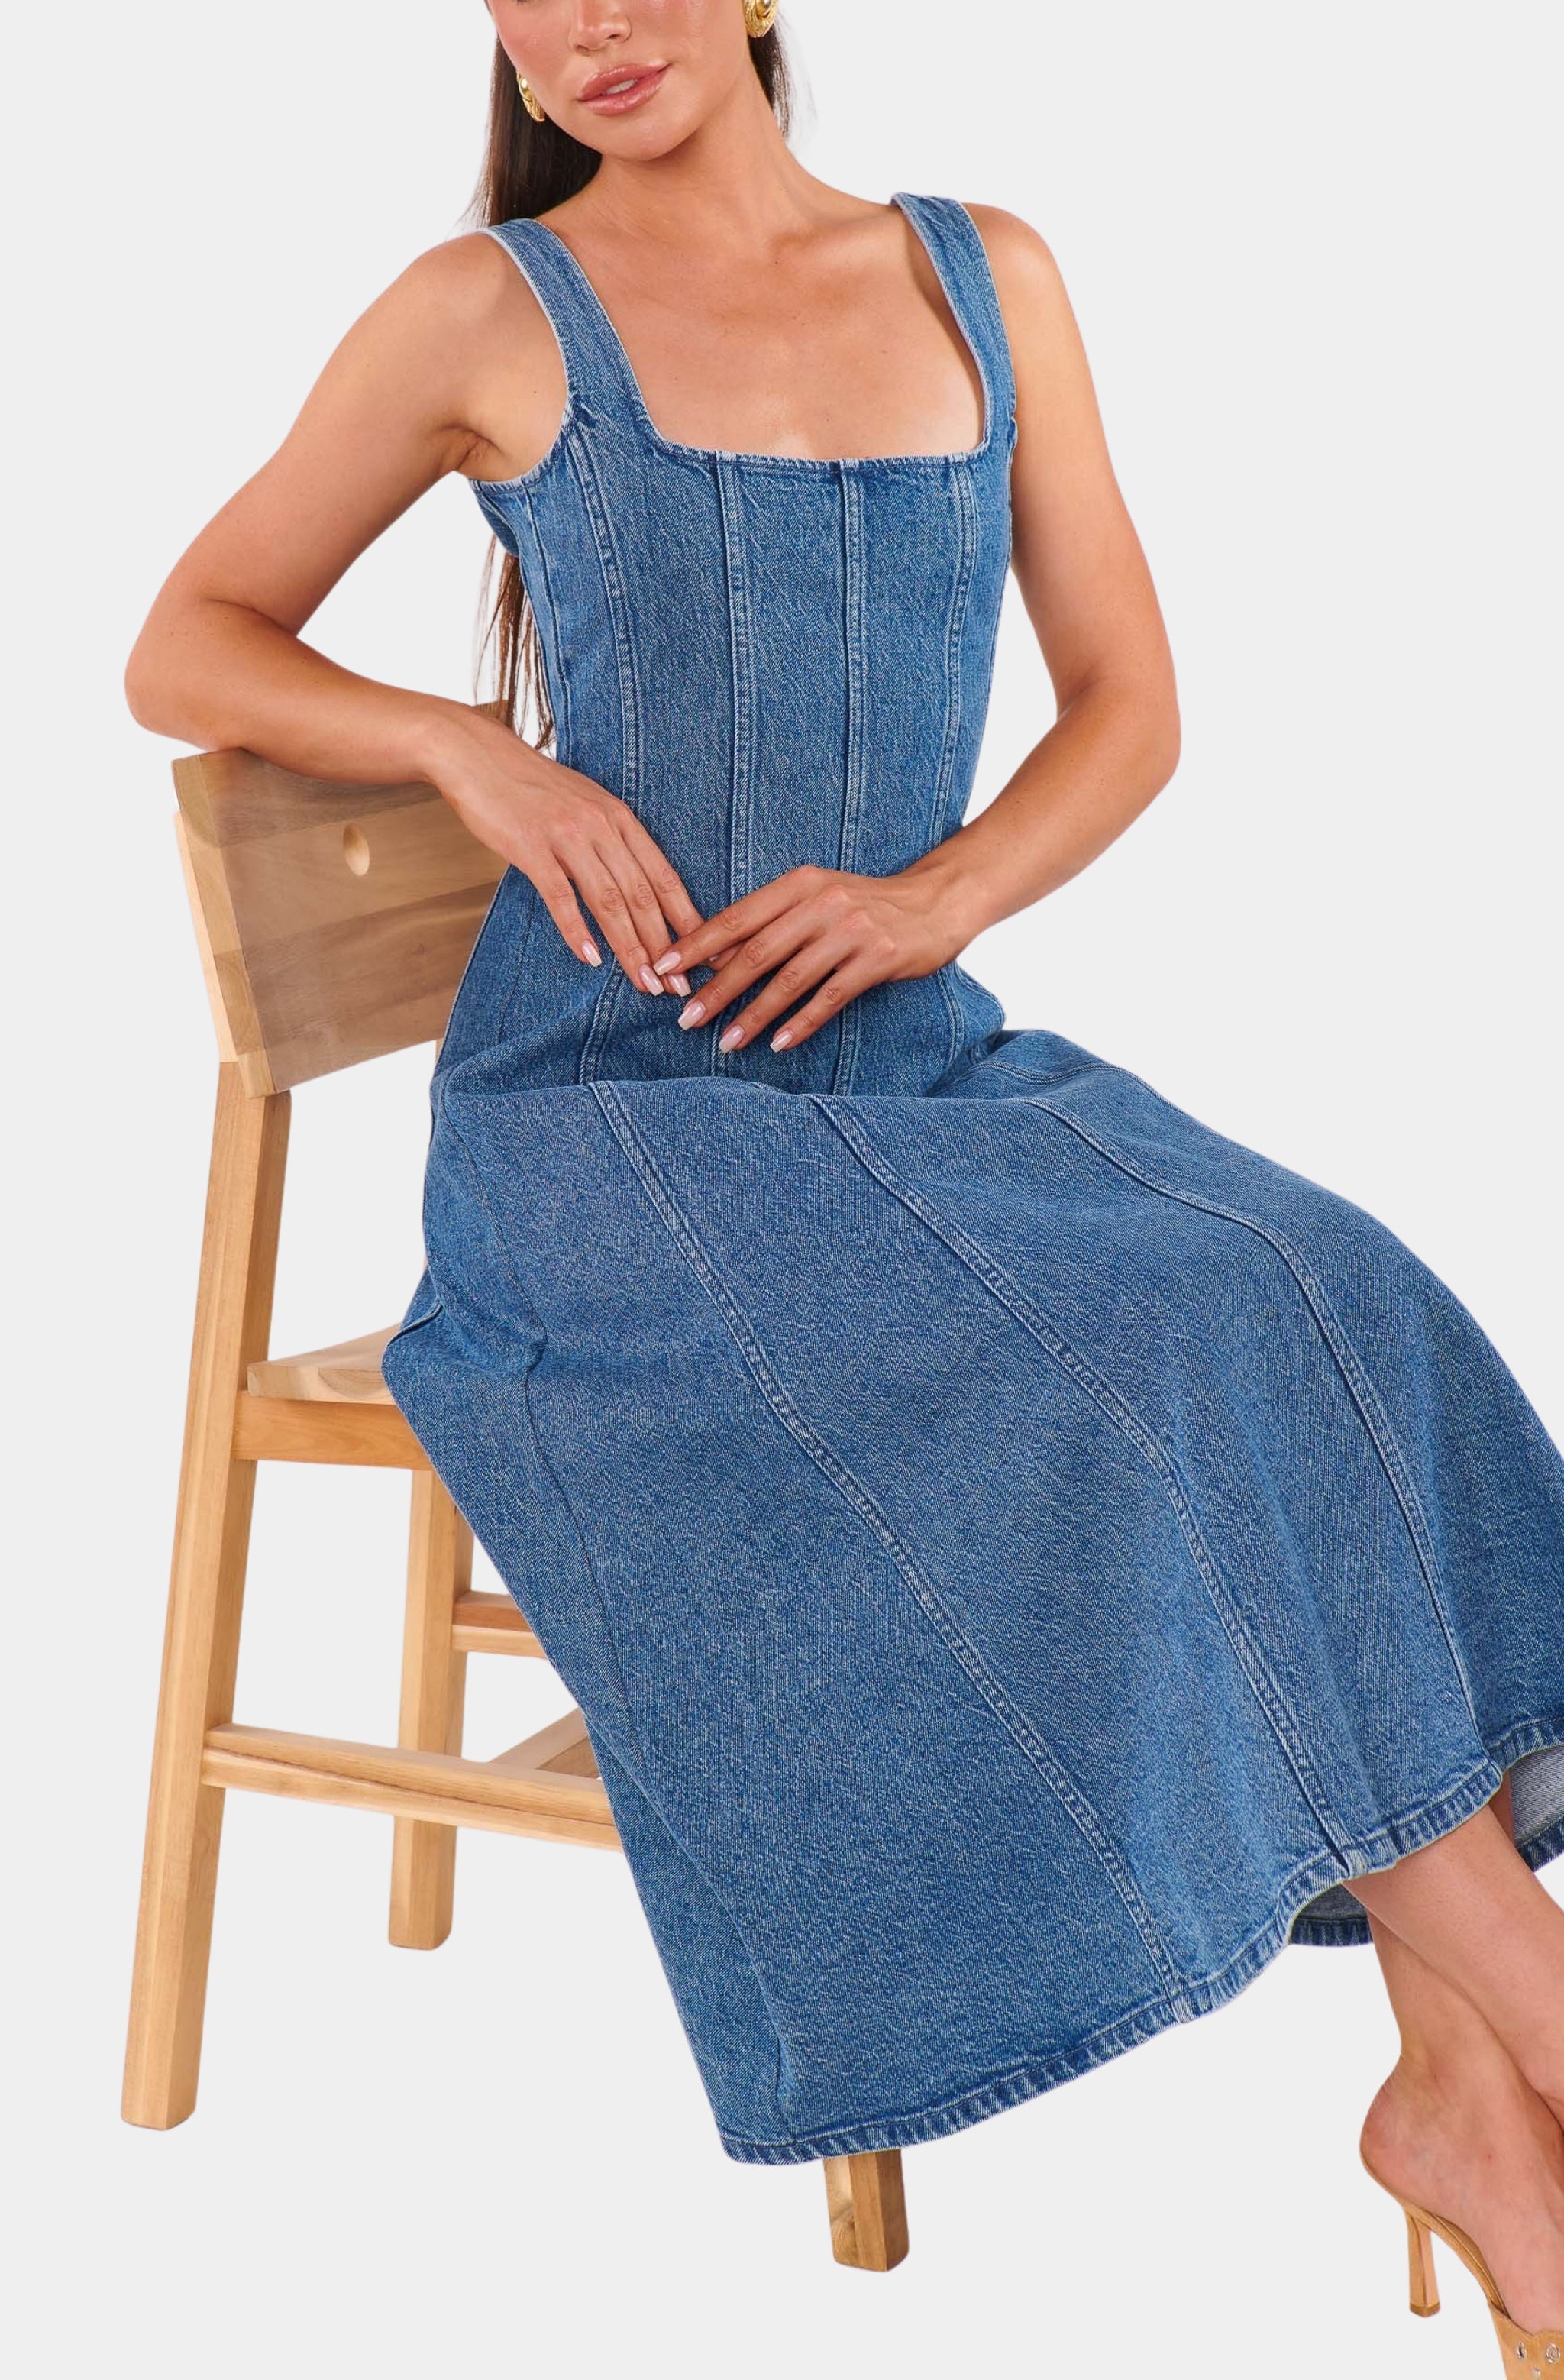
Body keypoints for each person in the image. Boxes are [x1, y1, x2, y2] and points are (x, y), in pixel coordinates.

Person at [125, 1, 1564, 2349]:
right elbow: (180, 643)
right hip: (604, 1130)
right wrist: (472, 757)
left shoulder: (989, 276)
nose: (593, 22)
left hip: (911, 1065)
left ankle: (1462, 2086)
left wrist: (935, 900)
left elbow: (1131, 703)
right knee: (1169, 1330)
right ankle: (1533, 2036)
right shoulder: (482, 310)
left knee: (1321, 1288)